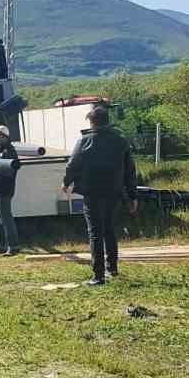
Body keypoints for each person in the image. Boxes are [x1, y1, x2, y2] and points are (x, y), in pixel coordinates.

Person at [62, 106, 137, 285]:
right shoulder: (121, 141)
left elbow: (73, 164)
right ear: (107, 121)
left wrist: (66, 182)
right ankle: (112, 268)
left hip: (92, 192)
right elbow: (130, 171)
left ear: (92, 122)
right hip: (114, 192)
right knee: (109, 229)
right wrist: (132, 196)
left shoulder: (84, 141)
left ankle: (98, 276)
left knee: (95, 232)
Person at [0, 124, 21, 255]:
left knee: (6, 219)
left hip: (4, 190)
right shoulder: (0, 151)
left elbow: (10, 172)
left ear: (4, 137)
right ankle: (0, 245)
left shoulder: (10, 151)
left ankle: (13, 247)